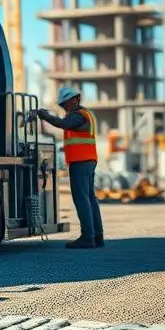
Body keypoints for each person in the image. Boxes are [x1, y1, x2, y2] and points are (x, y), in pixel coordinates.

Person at [31, 85, 104, 249]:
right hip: (86, 160)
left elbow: (62, 124)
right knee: (90, 199)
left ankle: (88, 237)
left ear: (75, 99)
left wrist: (44, 116)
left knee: (82, 199)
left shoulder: (79, 116)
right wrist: (67, 148)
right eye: (61, 105)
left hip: (81, 162)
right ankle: (97, 237)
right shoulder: (84, 115)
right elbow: (78, 137)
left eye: (65, 103)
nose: (63, 107)